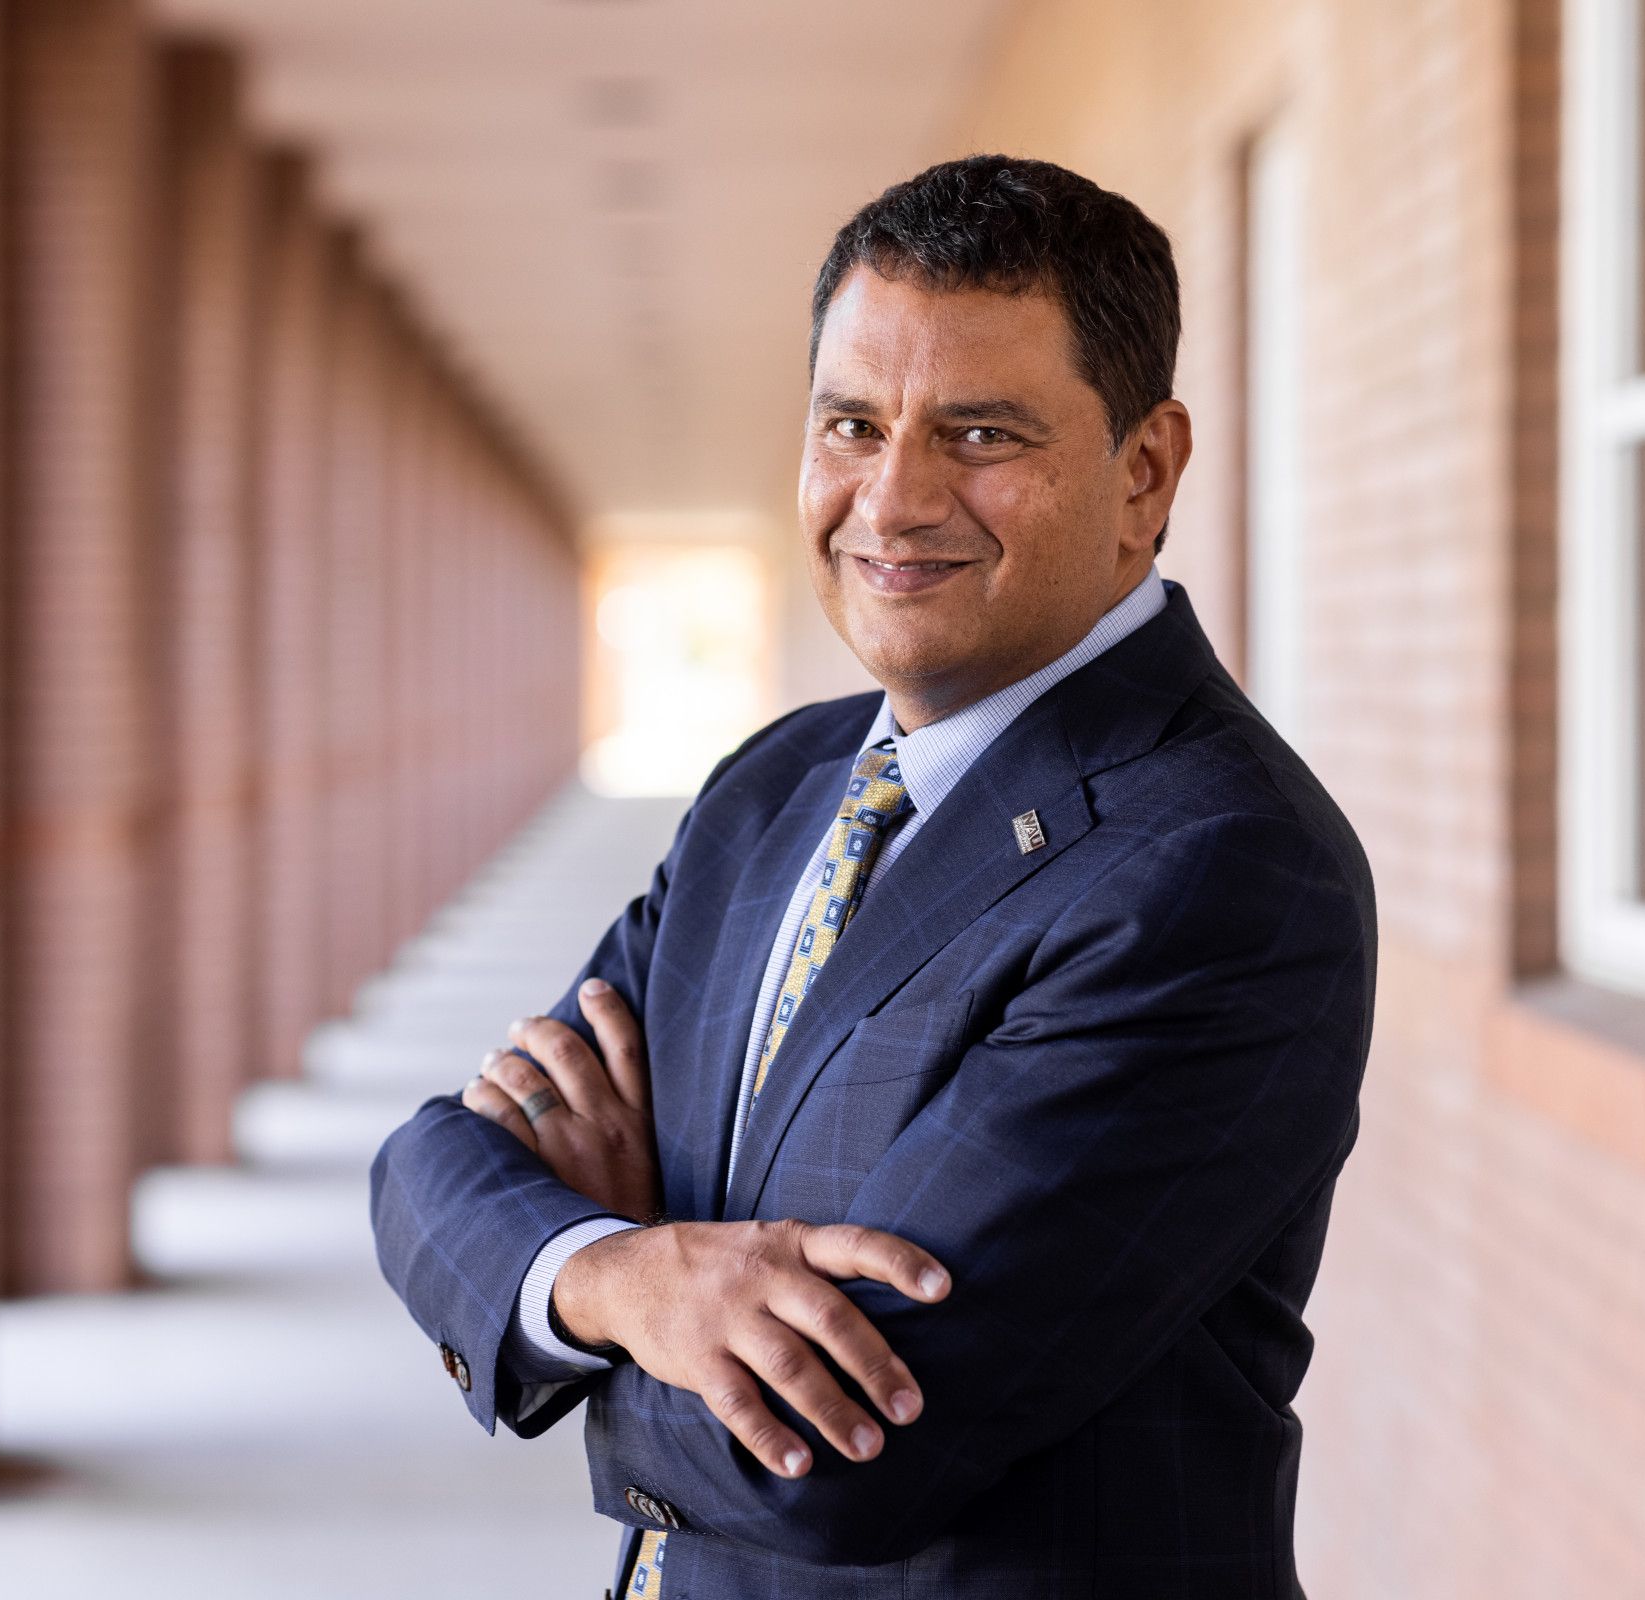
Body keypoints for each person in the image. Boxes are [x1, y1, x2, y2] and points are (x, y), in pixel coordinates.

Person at [369, 153, 1376, 1598]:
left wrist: (590, 1271)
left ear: (1143, 472)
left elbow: (842, 1446)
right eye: (853, 423)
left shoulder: (1218, 870)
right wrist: (619, 1276)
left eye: (978, 433)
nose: (892, 500)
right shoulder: (772, 789)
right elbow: (439, 1157)